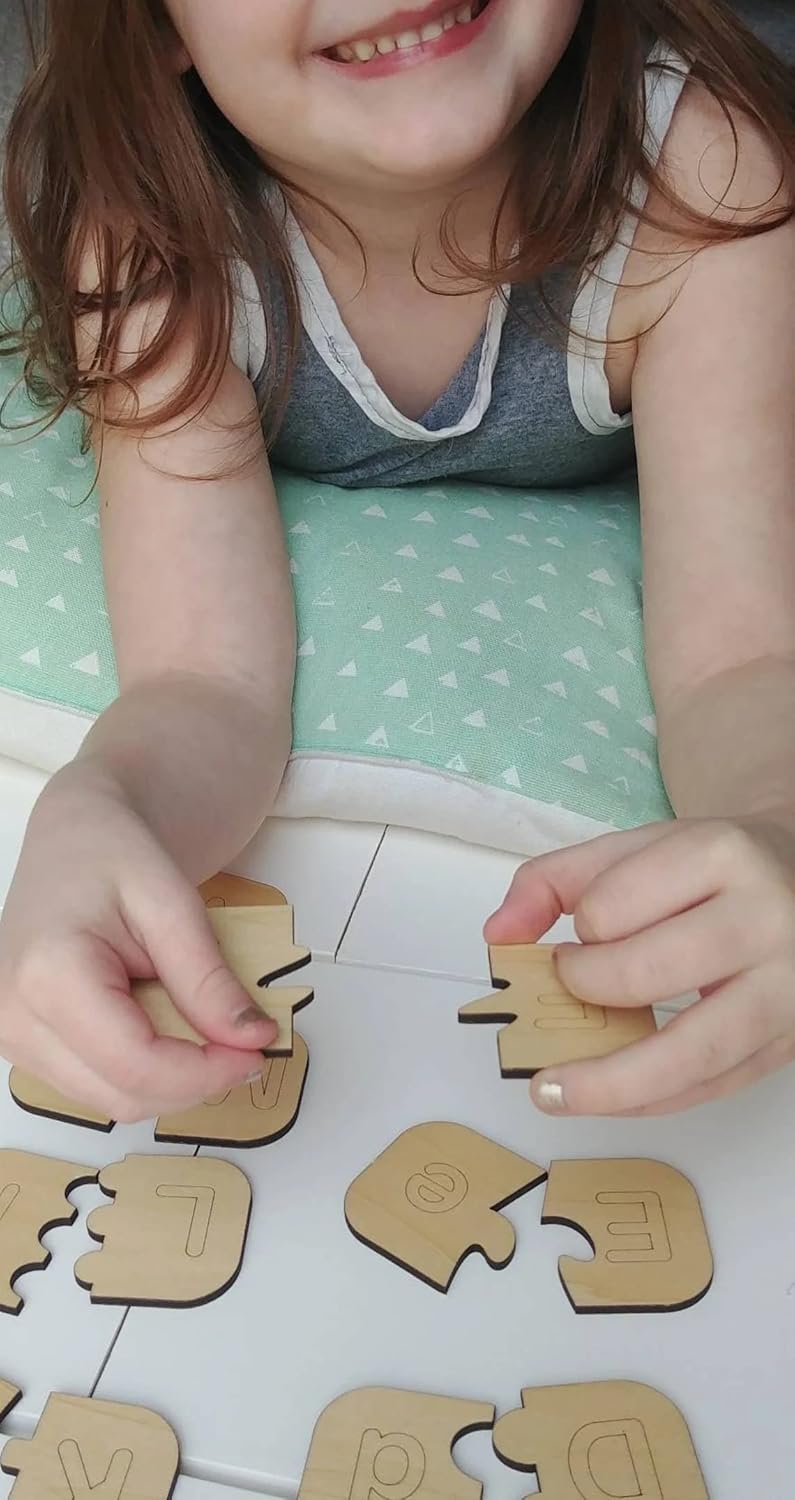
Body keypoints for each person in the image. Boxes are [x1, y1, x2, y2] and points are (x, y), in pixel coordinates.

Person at [0, 1, 793, 1125]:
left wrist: (777, 829)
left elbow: (740, 654)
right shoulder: (152, 228)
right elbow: (203, 680)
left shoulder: (703, 171)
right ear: (154, 22)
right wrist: (103, 808)